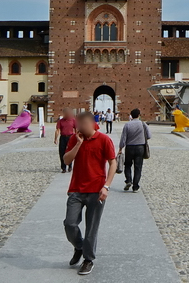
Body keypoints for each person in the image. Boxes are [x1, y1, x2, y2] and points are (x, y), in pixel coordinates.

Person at [62, 111, 117, 276]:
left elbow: (112, 163)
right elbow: (66, 160)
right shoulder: (74, 139)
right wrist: (78, 144)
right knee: (70, 224)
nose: (80, 127)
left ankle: (88, 259)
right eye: (78, 124)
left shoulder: (104, 140)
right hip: (76, 189)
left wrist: (106, 186)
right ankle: (79, 247)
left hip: (96, 190)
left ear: (92, 123)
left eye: (83, 124)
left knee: (91, 228)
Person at [118, 108, 151, 192]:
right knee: (138, 167)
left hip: (129, 147)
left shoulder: (127, 125)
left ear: (131, 116)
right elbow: (149, 136)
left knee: (128, 165)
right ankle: (135, 186)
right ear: (139, 115)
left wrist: (120, 148)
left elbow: (123, 138)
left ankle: (129, 180)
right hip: (140, 147)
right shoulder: (143, 124)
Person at [55, 108, 78, 173]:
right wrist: (55, 138)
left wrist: (76, 137)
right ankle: (63, 167)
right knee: (62, 152)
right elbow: (57, 130)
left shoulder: (73, 120)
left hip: (70, 137)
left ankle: (70, 166)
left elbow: (76, 129)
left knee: (70, 152)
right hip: (63, 137)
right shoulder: (61, 121)